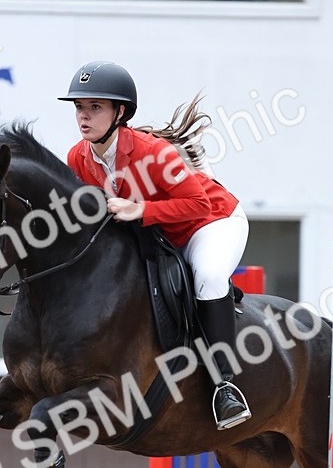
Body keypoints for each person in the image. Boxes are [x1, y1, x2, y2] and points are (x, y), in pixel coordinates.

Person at [59, 60, 252, 431]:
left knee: (208, 276)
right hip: (159, 236)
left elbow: (199, 204)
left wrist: (140, 209)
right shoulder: (77, 158)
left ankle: (224, 387)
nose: (84, 117)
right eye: (79, 108)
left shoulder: (152, 152)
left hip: (210, 223)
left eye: (95, 108)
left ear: (120, 112)